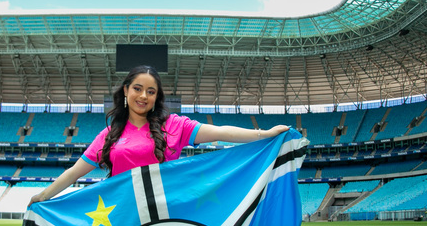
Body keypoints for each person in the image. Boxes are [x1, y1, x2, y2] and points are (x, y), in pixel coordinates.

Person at [29, 65, 289, 204]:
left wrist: (264, 134)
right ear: (125, 91)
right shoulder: (108, 135)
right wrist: (43, 196)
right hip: (120, 213)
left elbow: (220, 132)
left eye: (151, 92)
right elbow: (74, 173)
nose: (143, 96)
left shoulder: (174, 125)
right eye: (138, 88)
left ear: (156, 97)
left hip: (165, 213)